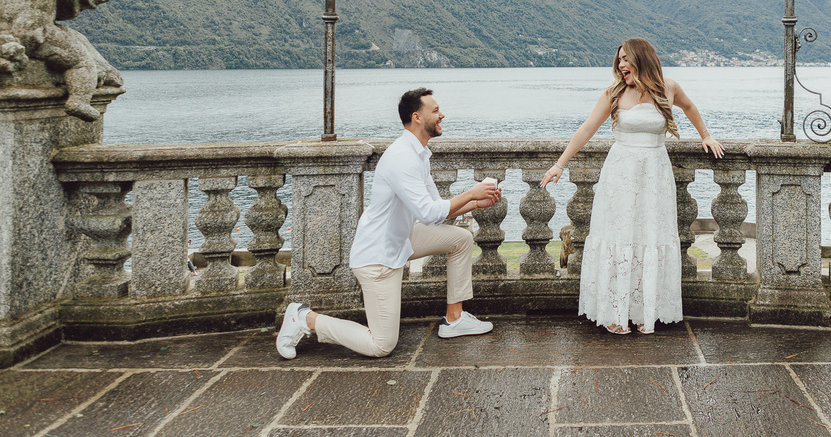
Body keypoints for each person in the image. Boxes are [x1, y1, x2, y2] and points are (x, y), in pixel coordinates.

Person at [276, 87, 502, 359]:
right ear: (417, 117)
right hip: (378, 258)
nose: (442, 115)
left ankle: (454, 319)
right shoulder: (402, 158)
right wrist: (472, 192)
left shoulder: (418, 154)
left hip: (401, 239)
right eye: (436, 110)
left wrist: (476, 203)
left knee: (460, 239)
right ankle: (304, 318)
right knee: (381, 345)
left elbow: (438, 211)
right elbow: (429, 214)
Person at [540, 37, 723, 335]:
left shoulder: (669, 86)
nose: (621, 64)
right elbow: (587, 128)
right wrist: (560, 164)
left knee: (649, 235)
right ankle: (614, 312)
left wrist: (705, 135)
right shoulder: (614, 93)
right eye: (619, 60)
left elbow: (689, 107)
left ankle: (643, 311)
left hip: (655, 173)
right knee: (620, 236)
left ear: (643, 58)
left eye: (626, 58)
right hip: (621, 173)